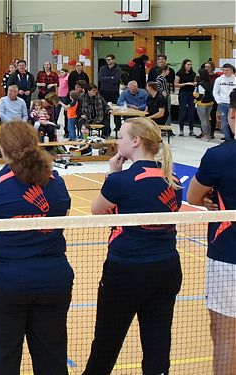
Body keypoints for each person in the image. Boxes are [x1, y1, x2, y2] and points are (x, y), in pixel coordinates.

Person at [0, 120, 73, 375]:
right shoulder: (57, 183)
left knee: (3, 359)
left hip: (3, 283)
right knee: (52, 359)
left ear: (2, 149)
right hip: (53, 281)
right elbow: (62, 221)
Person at [84, 117, 182, 375]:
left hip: (125, 273)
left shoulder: (121, 181)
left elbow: (98, 210)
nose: (119, 141)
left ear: (136, 141)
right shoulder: (173, 180)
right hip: (167, 270)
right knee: (158, 345)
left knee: (106, 343)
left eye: (122, 136)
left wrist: (113, 174)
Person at [186, 106, 236, 375]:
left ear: (232, 115)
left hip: (228, 259)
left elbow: (193, 197)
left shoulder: (218, 156)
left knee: (226, 336)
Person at [212, 63, 235, 141]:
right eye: (223, 70)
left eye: (227, 70)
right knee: (224, 123)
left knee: (233, 122)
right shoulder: (219, 80)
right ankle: (227, 139)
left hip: (233, 105)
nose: (225, 72)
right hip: (223, 104)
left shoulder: (235, 79)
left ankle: (234, 138)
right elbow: (215, 92)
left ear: (231, 70)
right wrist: (218, 101)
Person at [175, 59, 198, 137]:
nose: (189, 66)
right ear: (184, 65)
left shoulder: (193, 73)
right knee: (182, 112)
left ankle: (191, 130)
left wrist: (195, 83)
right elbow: (176, 84)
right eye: (188, 64)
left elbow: (195, 82)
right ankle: (181, 130)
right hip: (183, 93)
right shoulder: (179, 73)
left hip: (191, 93)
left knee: (191, 112)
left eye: (190, 64)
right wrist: (186, 84)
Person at [195, 69, 216, 141]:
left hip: (202, 103)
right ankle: (209, 134)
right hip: (210, 103)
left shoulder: (201, 84)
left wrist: (195, 98)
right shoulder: (211, 82)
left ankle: (207, 136)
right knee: (207, 119)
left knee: (203, 120)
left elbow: (201, 95)